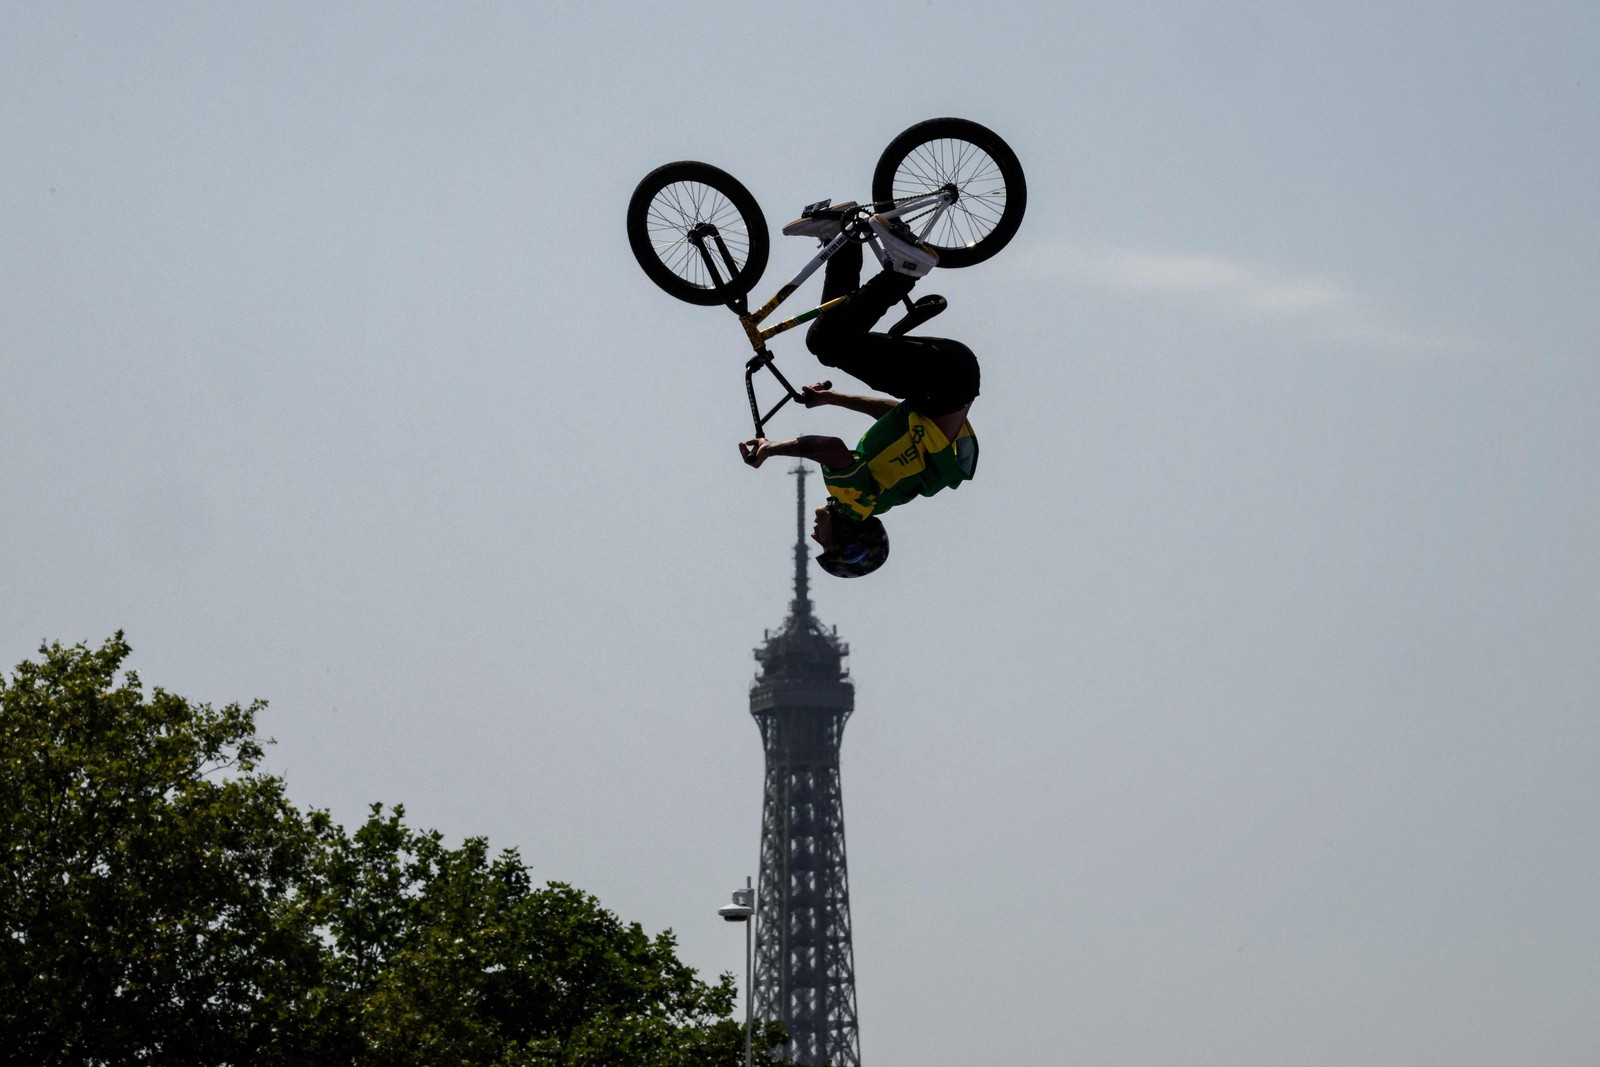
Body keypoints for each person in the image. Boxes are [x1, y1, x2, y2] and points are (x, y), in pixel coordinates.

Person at [739, 207, 979, 578]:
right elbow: (830, 448)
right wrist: (771, 449)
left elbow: (890, 412)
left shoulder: (882, 484)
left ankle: (843, 240)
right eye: (826, 543)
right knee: (830, 343)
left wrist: (833, 399)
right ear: (849, 534)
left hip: (952, 377)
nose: (817, 536)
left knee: (826, 339)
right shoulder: (855, 503)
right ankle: (904, 272)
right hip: (941, 384)